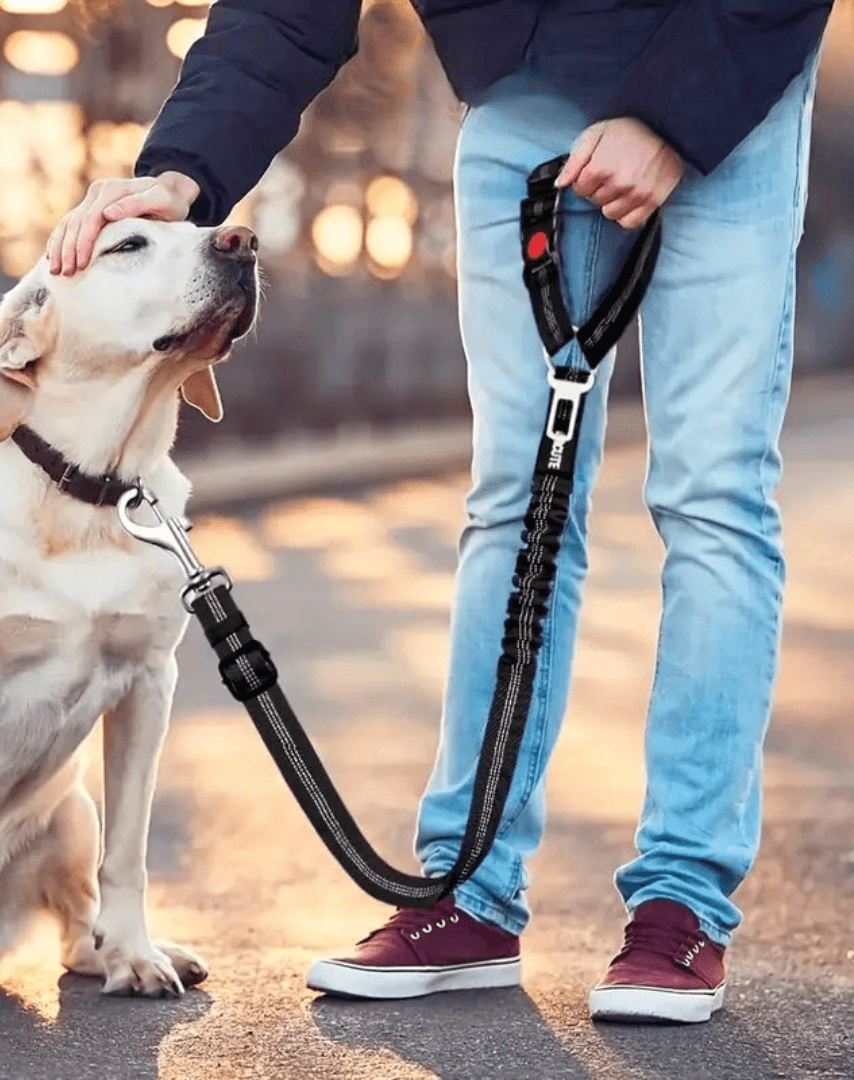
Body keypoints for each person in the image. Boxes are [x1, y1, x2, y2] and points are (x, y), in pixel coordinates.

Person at [48, 0, 833, 1024]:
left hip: (724, 88)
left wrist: (675, 117)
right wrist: (183, 170)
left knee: (712, 493)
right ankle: (468, 891)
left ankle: (681, 905)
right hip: (520, 97)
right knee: (512, 501)